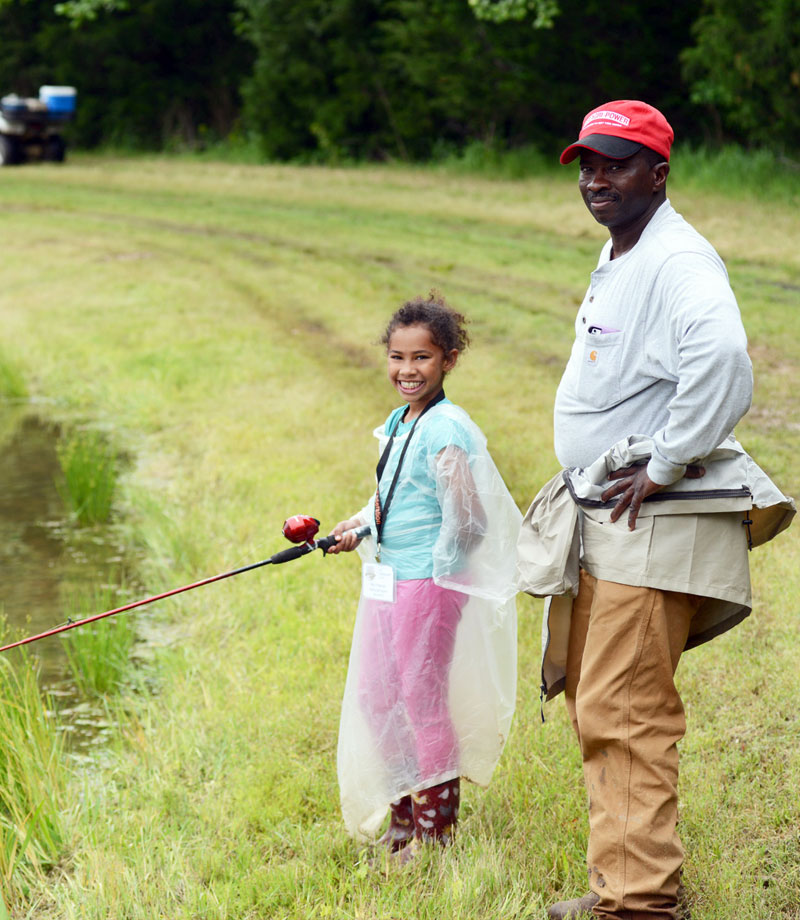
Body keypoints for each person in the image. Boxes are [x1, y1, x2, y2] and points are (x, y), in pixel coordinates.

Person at [516, 101, 794, 919]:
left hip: (653, 520)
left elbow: (722, 359)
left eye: (616, 164)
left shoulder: (679, 260)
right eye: (586, 165)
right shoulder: (623, 249)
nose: (596, 179)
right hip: (613, 521)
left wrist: (668, 461)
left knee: (626, 708)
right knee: (600, 701)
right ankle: (623, 886)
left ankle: (639, 905)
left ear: (659, 173)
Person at [327, 291, 521, 862]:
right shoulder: (401, 421)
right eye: (397, 357)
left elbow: (469, 518)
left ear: (449, 360)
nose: (407, 370)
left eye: (422, 358)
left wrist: (435, 575)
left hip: (426, 586)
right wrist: (360, 527)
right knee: (375, 693)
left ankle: (436, 831)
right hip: (390, 579)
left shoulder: (447, 428)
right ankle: (404, 814)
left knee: (420, 697)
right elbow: (392, 495)